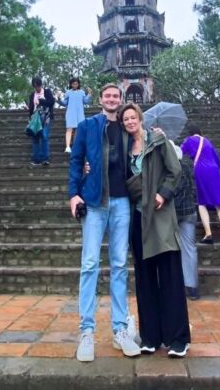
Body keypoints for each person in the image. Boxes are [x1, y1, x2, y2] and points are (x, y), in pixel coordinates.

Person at [67, 84, 141, 362]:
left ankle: (120, 329)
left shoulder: (126, 126)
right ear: (100, 100)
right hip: (95, 201)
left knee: (120, 264)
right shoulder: (87, 126)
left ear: (121, 100)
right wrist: (74, 194)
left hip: (122, 202)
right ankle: (87, 331)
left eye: (116, 96)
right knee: (89, 265)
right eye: (108, 96)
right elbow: (76, 160)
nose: (112, 99)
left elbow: (143, 147)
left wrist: (156, 136)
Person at [122, 103, 191, 357]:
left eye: (132, 117)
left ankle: (178, 339)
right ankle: (150, 336)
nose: (129, 121)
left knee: (170, 276)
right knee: (145, 278)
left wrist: (163, 193)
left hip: (160, 216)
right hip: (138, 217)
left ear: (140, 118)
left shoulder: (158, 141)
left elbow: (176, 171)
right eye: (125, 119)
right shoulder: (125, 149)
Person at [181, 125, 220, 245]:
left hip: (201, 170)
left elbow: (179, 152)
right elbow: (217, 159)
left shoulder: (189, 140)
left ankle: (208, 234)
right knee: (219, 202)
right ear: (200, 132)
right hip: (214, 170)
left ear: (190, 133)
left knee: (202, 202)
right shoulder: (208, 142)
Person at [171, 138, 200, 299]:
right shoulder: (188, 167)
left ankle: (175, 284)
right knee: (189, 248)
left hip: (173, 213)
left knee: (171, 248)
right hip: (189, 211)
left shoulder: (169, 169)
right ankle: (191, 286)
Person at [26, 76, 55, 167]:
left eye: (38, 86)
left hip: (46, 117)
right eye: (35, 87)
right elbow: (31, 108)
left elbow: (51, 102)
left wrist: (42, 101)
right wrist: (29, 114)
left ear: (41, 85)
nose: (37, 88)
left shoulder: (47, 92)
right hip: (35, 119)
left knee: (44, 136)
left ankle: (45, 159)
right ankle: (36, 159)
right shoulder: (32, 95)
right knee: (35, 138)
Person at [58, 78, 91, 154]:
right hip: (70, 112)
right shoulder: (68, 92)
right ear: (71, 84)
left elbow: (85, 101)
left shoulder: (82, 92)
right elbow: (64, 103)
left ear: (78, 84)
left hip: (79, 113)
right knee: (69, 129)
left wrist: (89, 95)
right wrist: (59, 98)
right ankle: (67, 146)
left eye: (76, 84)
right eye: (73, 84)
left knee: (78, 130)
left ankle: (75, 146)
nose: (75, 85)